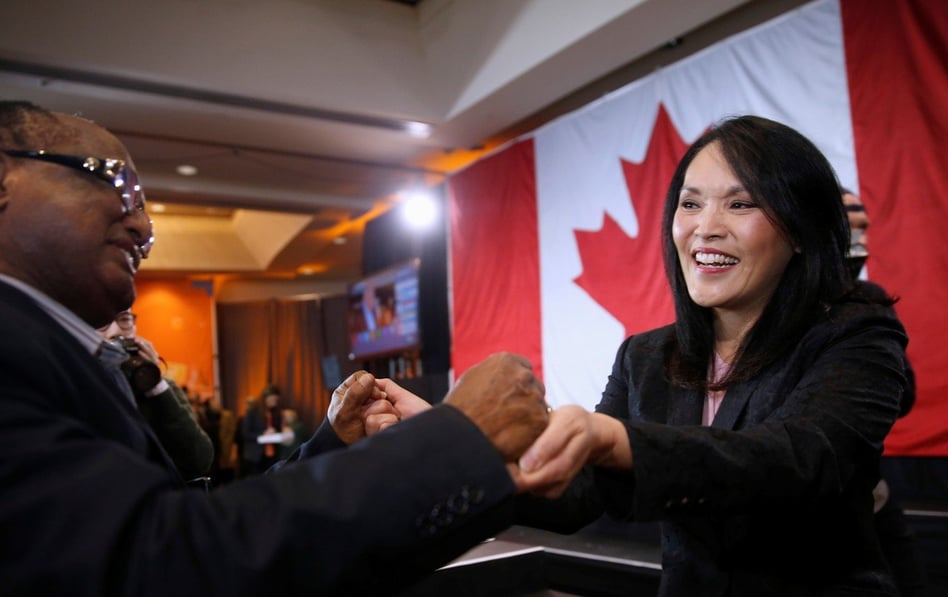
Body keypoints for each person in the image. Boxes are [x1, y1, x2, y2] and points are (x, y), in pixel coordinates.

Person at [0, 99, 550, 596]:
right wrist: (457, 438)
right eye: (119, 183)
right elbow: (166, 565)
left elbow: (188, 517)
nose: (145, 227)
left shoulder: (41, 345)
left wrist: (332, 445)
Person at [365, 116, 911, 595]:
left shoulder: (857, 332)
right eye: (690, 203)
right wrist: (445, 435)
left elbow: (797, 460)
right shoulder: (646, 355)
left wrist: (613, 439)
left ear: (800, 230)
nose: (705, 226)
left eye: (741, 203)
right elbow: (576, 497)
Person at [841, 187, 927, 597]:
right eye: (849, 228)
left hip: (869, 493)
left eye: (864, 228)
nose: (860, 242)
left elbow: (903, 395)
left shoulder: (869, 303)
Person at [98, 309, 214, 482]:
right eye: (104, 321)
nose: (115, 331)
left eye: (125, 319)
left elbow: (199, 460)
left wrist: (155, 385)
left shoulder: (160, 387)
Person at [239, 385, 283, 476]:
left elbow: (278, 430)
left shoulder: (275, 413)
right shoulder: (253, 412)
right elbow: (245, 433)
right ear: (266, 398)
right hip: (255, 455)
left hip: (272, 455)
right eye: (273, 399)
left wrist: (275, 432)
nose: (275, 402)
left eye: (276, 400)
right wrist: (262, 435)